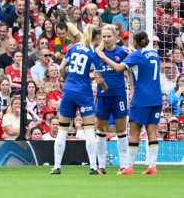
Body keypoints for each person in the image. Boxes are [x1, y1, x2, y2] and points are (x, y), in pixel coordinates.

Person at [96, 30, 162, 175]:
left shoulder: (135, 55)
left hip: (141, 99)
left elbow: (119, 68)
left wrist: (103, 56)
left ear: (136, 42)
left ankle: (129, 167)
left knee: (134, 132)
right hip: (157, 98)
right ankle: (152, 166)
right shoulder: (155, 54)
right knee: (152, 131)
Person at [51, 24, 108, 175]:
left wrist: (66, 80)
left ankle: (57, 167)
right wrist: (106, 87)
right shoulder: (94, 53)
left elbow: (62, 68)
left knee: (62, 130)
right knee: (89, 130)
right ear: (97, 38)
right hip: (83, 92)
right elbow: (98, 79)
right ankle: (93, 167)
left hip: (68, 90)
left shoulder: (73, 47)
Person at [95, 25, 129, 175]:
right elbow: (96, 74)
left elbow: (129, 72)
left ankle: (123, 165)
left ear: (115, 37)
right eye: (104, 36)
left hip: (119, 94)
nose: (107, 39)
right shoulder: (98, 53)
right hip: (103, 96)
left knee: (121, 130)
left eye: (109, 36)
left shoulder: (122, 52)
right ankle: (101, 166)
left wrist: (132, 90)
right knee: (101, 130)